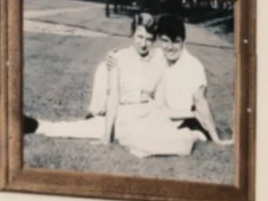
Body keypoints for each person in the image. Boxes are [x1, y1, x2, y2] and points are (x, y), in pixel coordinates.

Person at [27, 13, 166, 145]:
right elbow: (113, 97)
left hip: (147, 115)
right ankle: (38, 126)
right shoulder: (118, 58)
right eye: (139, 37)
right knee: (89, 129)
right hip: (123, 113)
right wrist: (107, 136)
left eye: (148, 39)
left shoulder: (159, 59)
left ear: (154, 40)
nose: (143, 43)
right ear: (133, 35)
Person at [114, 14, 229, 159]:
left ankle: (194, 134)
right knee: (131, 134)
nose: (170, 47)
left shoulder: (192, 65)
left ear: (183, 41)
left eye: (176, 42)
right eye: (165, 41)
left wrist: (215, 137)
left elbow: (201, 101)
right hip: (159, 116)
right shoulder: (159, 56)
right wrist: (113, 57)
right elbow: (137, 53)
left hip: (181, 121)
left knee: (145, 141)